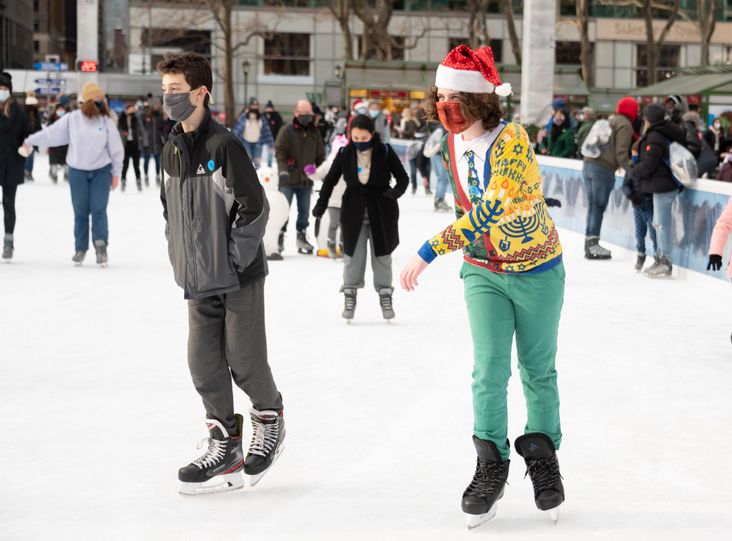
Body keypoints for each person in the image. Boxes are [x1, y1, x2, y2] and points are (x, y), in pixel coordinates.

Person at [400, 45, 566, 527]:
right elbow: (462, 207)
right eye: (441, 96)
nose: (445, 105)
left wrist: (428, 250)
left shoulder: (512, 139)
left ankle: (542, 455)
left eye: (455, 96)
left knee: (538, 370)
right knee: (488, 370)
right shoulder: (450, 144)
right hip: (483, 271)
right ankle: (490, 463)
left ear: (479, 100)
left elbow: (489, 209)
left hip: (537, 270)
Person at [157, 51, 285, 495]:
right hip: (196, 279)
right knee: (204, 364)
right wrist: (182, 257)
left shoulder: (224, 146)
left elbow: (255, 208)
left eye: (176, 91)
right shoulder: (170, 148)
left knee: (245, 360)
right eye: (165, 91)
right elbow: (169, 211)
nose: (168, 98)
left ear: (200, 92)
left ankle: (269, 421)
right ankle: (224, 444)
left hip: (238, 276)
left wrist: (231, 259)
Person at [312, 114, 409, 321]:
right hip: (353, 213)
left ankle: (385, 295)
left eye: (363, 139)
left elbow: (403, 177)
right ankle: (349, 294)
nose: (359, 143)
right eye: (355, 138)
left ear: (372, 135)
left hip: (381, 212)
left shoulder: (385, 151)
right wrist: (321, 204)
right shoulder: (345, 152)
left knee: (382, 257)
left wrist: (393, 194)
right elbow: (330, 181)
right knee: (352, 258)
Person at [23, 81, 123, 266]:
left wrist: (116, 173)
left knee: (98, 209)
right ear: (87, 100)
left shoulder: (106, 121)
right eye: (97, 99)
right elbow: (51, 134)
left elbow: (116, 149)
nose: (100, 102)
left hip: (101, 171)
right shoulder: (73, 119)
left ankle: (101, 247)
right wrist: (30, 140)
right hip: (77, 171)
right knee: (80, 212)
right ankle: (80, 249)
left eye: (102, 99)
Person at [630, 102, 687, 278]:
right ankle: (661, 259)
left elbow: (649, 164)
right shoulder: (662, 132)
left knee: (662, 225)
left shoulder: (655, 136)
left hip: (663, 185)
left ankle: (666, 261)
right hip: (661, 184)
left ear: (649, 119)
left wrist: (633, 170)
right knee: (658, 223)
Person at [581, 96, 638, 260]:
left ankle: (590, 243)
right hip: (603, 169)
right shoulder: (625, 125)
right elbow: (621, 154)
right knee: (598, 206)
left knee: (593, 205)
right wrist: (633, 170)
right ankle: (593, 245)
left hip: (588, 165)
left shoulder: (610, 120)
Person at [274, 99, 325, 255]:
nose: (306, 117)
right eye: (303, 114)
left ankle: (301, 236)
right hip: (288, 179)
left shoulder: (314, 132)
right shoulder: (286, 130)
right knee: (283, 210)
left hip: (306, 180)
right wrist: (283, 169)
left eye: (309, 114)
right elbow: (280, 152)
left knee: (304, 212)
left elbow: (320, 155)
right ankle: (279, 236)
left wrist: (324, 172)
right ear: (296, 113)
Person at [0, 72, 30, 261]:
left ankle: (8, 240)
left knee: (8, 204)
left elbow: (27, 134)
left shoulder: (19, 113)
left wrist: (26, 146)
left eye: (4, 89)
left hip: (11, 163)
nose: (1, 92)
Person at [622, 140, 658, 271]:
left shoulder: (648, 167)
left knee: (654, 233)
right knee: (639, 233)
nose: (634, 155)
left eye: (636, 153)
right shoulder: (630, 167)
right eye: (633, 153)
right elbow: (625, 185)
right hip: (637, 206)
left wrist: (649, 195)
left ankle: (657, 256)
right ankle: (641, 255)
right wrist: (631, 196)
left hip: (650, 205)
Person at [233, 97, 274, 169]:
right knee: (248, 161)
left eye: (256, 106)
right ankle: (248, 177)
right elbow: (237, 130)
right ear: (250, 106)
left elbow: (266, 131)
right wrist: (233, 140)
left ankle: (257, 176)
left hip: (258, 143)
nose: (254, 108)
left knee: (257, 162)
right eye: (253, 106)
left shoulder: (261, 117)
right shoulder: (244, 116)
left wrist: (271, 143)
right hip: (246, 142)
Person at [138, 101, 165, 186]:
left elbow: (162, 128)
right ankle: (146, 176)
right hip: (147, 143)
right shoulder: (144, 117)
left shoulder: (158, 116)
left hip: (157, 142)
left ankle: (157, 175)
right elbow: (141, 128)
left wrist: (163, 139)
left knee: (158, 161)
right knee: (146, 161)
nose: (151, 109)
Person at [118, 103, 143, 191]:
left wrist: (142, 142)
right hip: (125, 145)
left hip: (135, 144)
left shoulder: (136, 119)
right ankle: (123, 180)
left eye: (133, 110)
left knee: (136, 165)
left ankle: (138, 181)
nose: (132, 111)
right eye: (131, 109)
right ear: (126, 110)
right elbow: (119, 130)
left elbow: (141, 130)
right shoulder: (122, 119)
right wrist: (123, 133)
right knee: (125, 165)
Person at [48, 99, 70, 184]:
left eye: (62, 109)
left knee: (67, 162)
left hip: (65, 145)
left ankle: (67, 175)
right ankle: (53, 175)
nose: (60, 111)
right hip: (54, 145)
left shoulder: (68, 118)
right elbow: (49, 131)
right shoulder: (52, 118)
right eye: (59, 110)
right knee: (54, 162)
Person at [23, 92, 42, 182]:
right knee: (27, 156)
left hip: (33, 138)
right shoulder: (24, 113)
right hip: (26, 138)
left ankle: (29, 172)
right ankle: (26, 172)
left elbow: (38, 126)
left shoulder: (36, 114)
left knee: (31, 156)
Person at [263, 100, 283, 167]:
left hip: (273, 138)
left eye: (270, 108)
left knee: (270, 153)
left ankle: (269, 165)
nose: (269, 110)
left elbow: (280, 127)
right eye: (268, 108)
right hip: (262, 138)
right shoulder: (262, 116)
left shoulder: (277, 116)